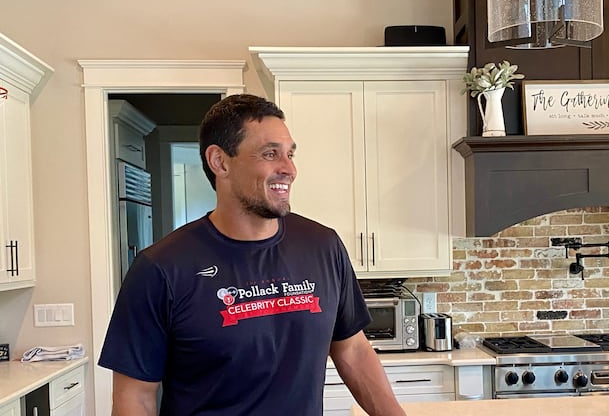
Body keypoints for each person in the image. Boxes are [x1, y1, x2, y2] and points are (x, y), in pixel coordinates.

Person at [99, 94, 406, 416]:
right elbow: (135, 397)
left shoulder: (323, 246)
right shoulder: (161, 268)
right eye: (270, 154)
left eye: (289, 154)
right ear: (220, 161)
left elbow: (352, 349)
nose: (289, 169)